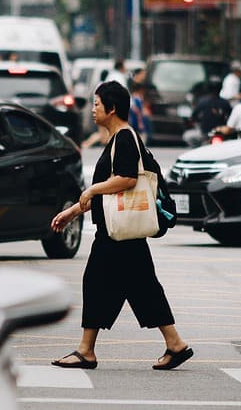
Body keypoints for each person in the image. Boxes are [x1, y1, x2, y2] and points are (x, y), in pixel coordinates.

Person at [49, 81, 193, 372]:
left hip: (118, 231)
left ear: (112, 108)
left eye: (97, 104)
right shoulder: (119, 138)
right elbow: (114, 189)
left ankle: (86, 351)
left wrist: (91, 190)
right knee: (142, 287)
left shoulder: (124, 138)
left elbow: (127, 179)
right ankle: (174, 344)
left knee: (99, 282)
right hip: (119, 229)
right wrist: (73, 212)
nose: (92, 110)